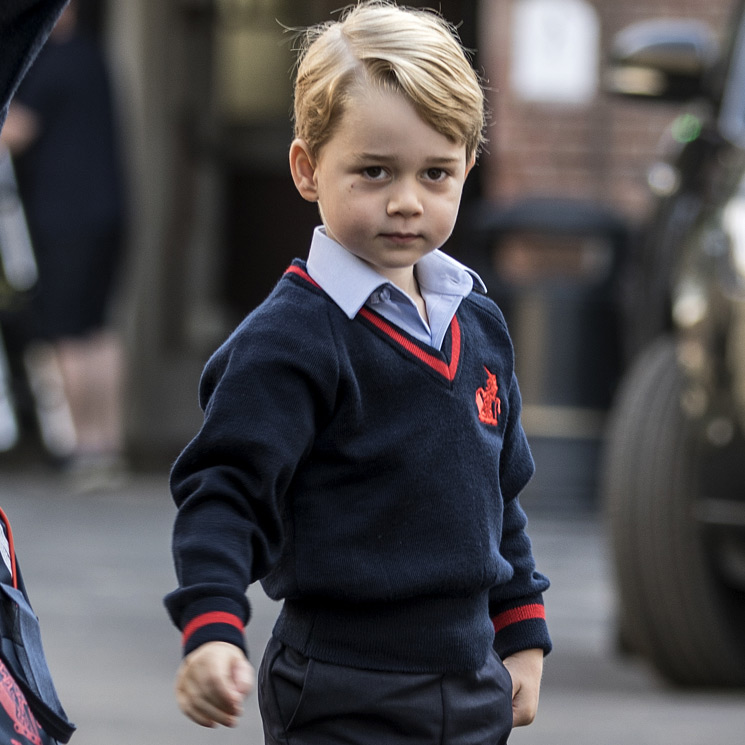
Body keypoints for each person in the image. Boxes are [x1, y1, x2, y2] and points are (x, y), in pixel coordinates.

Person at [165, 2, 551, 743]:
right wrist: (212, 625)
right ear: (308, 168)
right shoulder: (289, 339)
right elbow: (224, 492)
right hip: (341, 686)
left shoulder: (477, 319)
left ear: (468, 167)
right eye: (373, 171)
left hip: (472, 681)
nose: (406, 200)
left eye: (435, 172)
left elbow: (499, 497)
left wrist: (521, 632)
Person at [1, 0, 127, 484]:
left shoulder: (51, 60)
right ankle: (106, 444)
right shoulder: (94, 56)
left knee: (66, 331)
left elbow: (15, 131)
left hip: (65, 216)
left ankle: (82, 448)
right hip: (109, 212)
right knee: (98, 328)